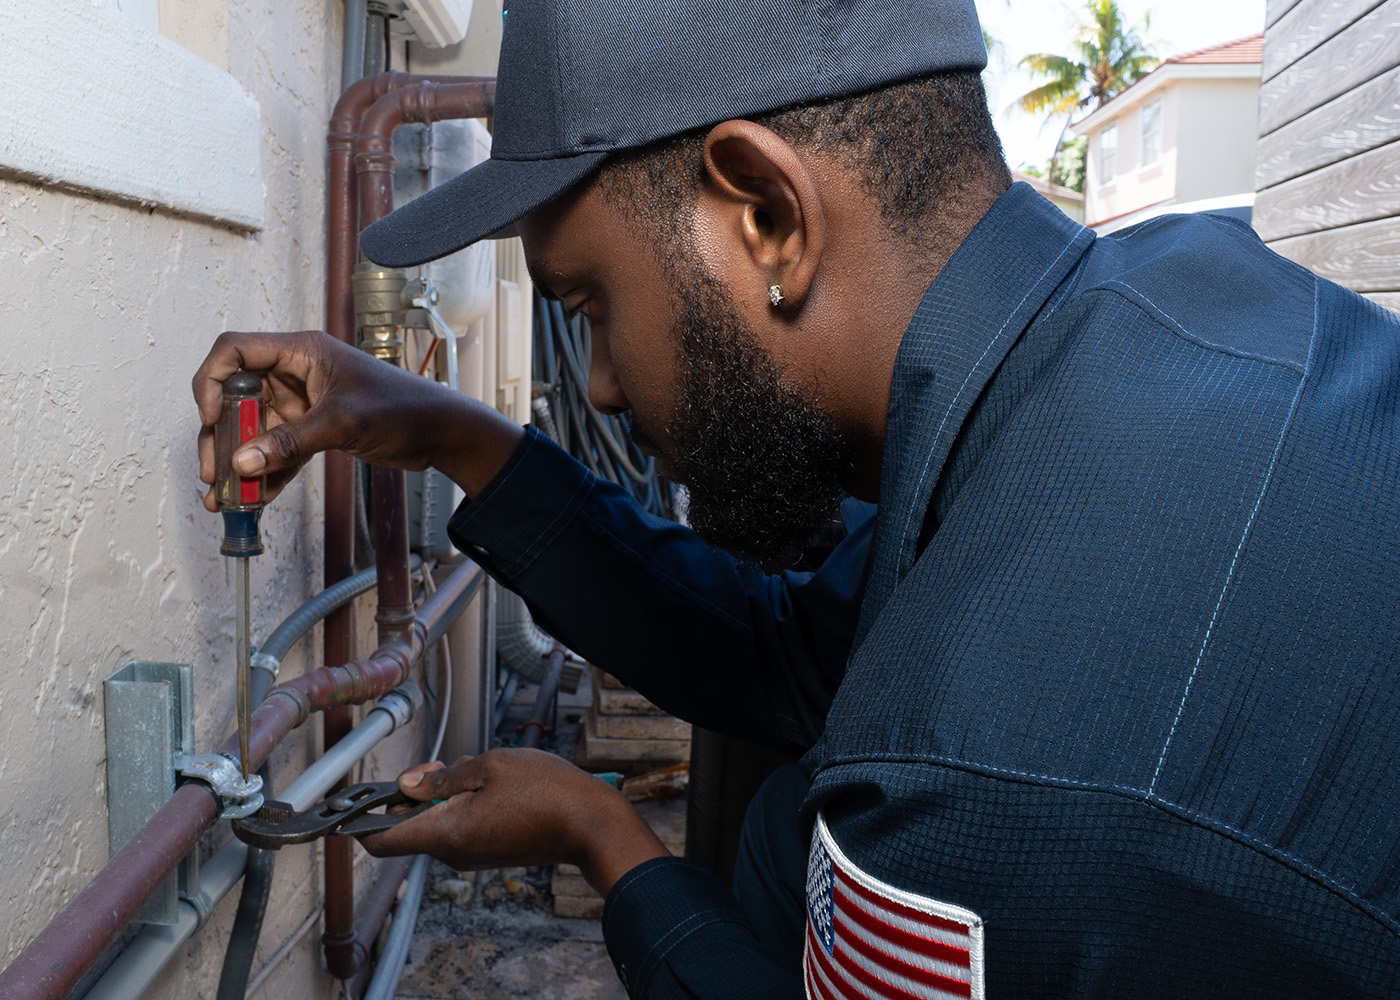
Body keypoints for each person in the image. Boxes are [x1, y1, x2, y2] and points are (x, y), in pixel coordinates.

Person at [194, 1, 1400, 995]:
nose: (600, 383)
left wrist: (607, 843)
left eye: (593, 305)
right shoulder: (1154, 326)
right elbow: (793, 652)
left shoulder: (982, 789)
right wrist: (450, 431)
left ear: (767, 216)